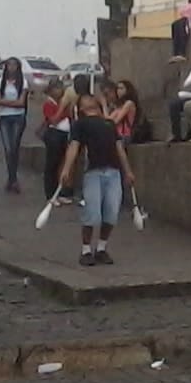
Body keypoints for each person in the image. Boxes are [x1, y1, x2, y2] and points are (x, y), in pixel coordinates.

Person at [56, 94, 137, 267]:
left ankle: (101, 248)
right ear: (81, 109)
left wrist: (128, 171)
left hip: (114, 172)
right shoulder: (80, 125)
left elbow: (119, 148)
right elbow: (74, 147)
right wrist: (66, 169)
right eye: (85, 100)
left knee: (111, 212)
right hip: (93, 172)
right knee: (92, 213)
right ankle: (86, 250)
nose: (89, 100)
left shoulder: (109, 124)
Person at [0, 57, 29, 193]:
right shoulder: (0, 82)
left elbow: (21, 102)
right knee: (8, 149)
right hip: (4, 118)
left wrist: (4, 102)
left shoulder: (23, 82)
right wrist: (10, 103)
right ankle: (12, 179)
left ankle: (13, 180)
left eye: (14, 65)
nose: (12, 68)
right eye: (9, 65)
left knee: (14, 148)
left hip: (18, 118)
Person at [40, 78, 74, 205]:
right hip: (54, 134)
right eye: (58, 88)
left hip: (64, 134)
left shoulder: (62, 102)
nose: (60, 91)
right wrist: (63, 110)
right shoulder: (48, 104)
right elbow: (53, 120)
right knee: (51, 164)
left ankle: (60, 193)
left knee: (60, 164)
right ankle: (50, 194)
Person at [109, 79, 140, 145]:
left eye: (121, 88)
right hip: (115, 135)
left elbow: (115, 121)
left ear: (127, 90)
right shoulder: (118, 106)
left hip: (124, 135)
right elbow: (108, 120)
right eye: (117, 88)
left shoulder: (129, 103)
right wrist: (104, 106)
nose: (118, 91)